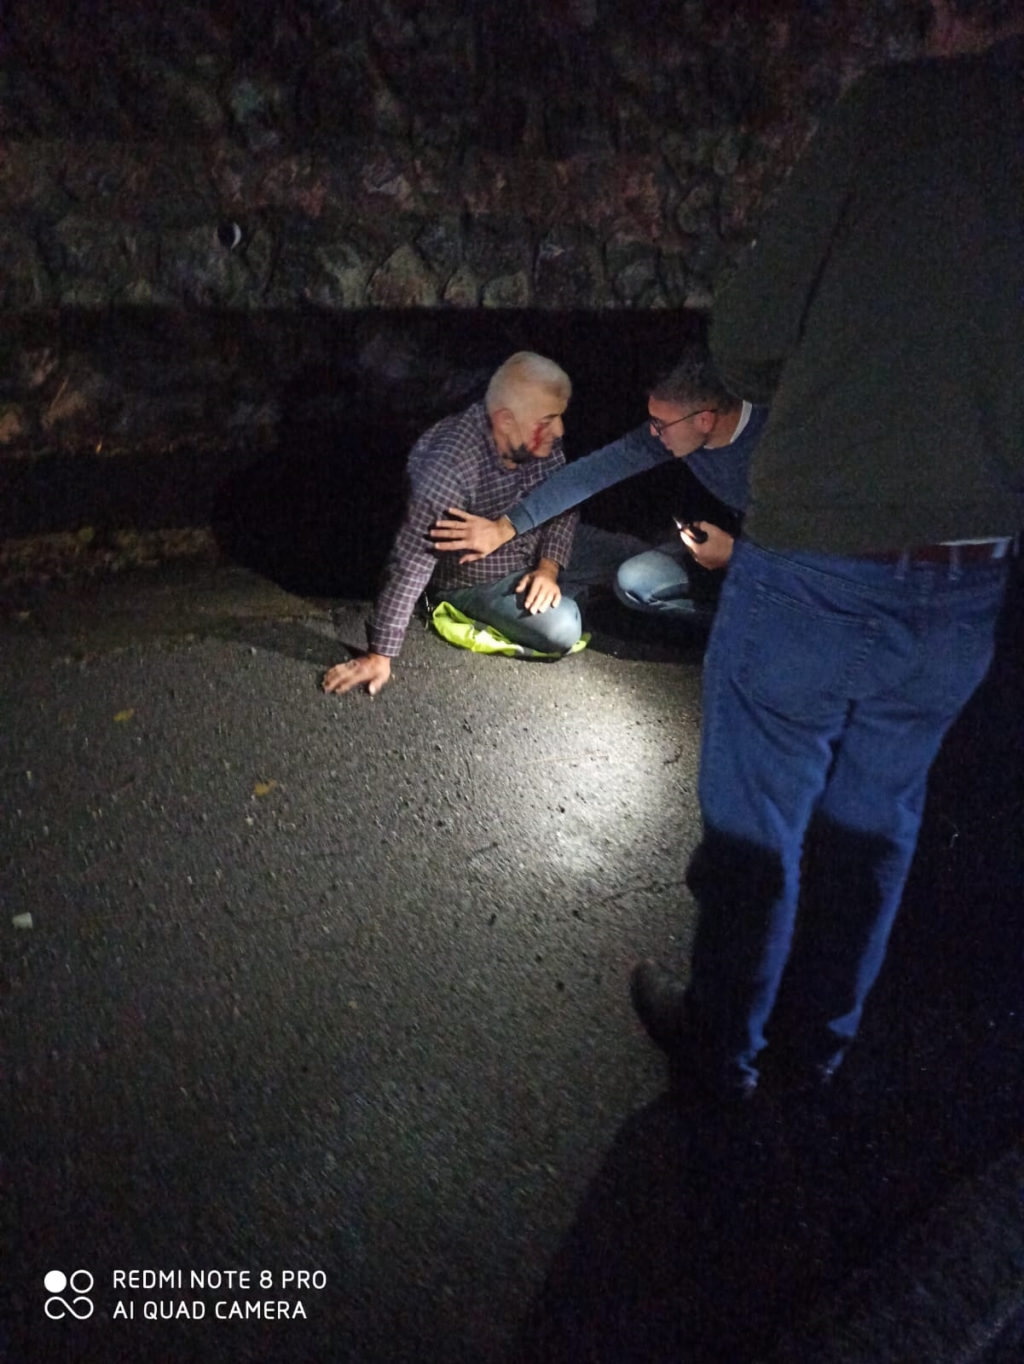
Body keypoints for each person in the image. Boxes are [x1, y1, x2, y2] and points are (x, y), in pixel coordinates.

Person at [630, 0, 1024, 1100]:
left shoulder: (896, 111)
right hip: (969, 572)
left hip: (819, 560)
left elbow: (750, 333)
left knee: (756, 824)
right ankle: (816, 1049)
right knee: (874, 823)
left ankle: (722, 1049)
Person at [322, 351, 644, 697]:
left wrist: (549, 567)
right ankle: (577, 594)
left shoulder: (534, 433)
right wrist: (379, 653)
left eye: (560, 417)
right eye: (550, 419)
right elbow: (411, 561)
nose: (560, 430)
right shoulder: (448, 470)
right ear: (505, 420)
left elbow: (562, 501)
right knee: (562, 628)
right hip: (480, 577)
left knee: (638, 560)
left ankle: (574, 588)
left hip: (538, 545)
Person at [429, 345, 768, 625]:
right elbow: (589, 474)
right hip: (729, 548)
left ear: (705, 420)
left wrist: (736, 555)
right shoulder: (676, 433)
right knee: (634, 582)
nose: (653, 432)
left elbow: (803, 551)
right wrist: (504, 527)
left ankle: (753, 626)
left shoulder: (774, 447)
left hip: (783, 568)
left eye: (661, 423)